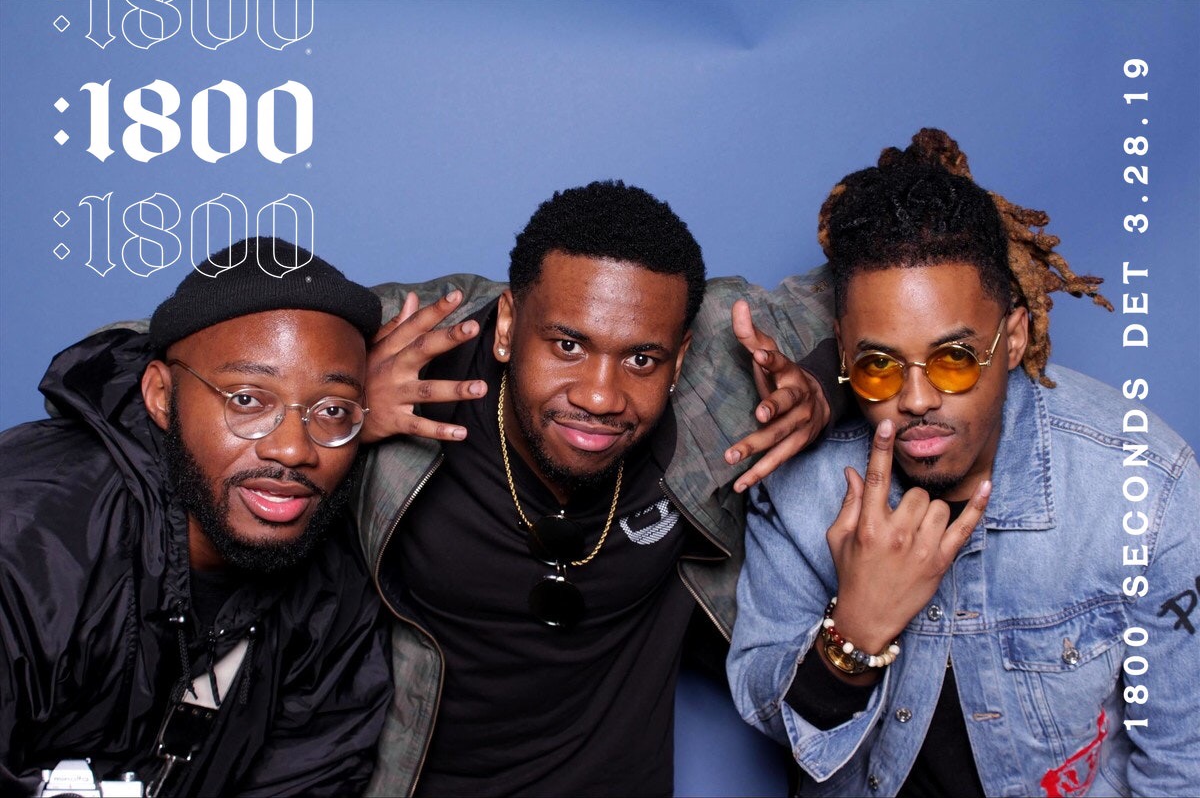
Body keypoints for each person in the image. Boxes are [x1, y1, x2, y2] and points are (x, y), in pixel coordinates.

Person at [728, 129, 1200, 797]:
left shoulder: (1142, 489)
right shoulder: (801, 485)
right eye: (879, 364)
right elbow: (765, 706)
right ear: (842, 353)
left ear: (1014, 338)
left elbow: (1183, 763)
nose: (916, 399)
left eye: (954, 358)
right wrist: (853, 635)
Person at [357, 180, 840, 796]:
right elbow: (247, 348)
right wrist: (331, 407)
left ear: (680, 357)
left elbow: (879, 305)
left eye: (641, 360)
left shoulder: (729, 349)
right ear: (507, 325)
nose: (600, 397)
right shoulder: (405, 353)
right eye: (568, 346)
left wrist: (823, 388)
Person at [0, 238, 393, 797]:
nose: (292, 449)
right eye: (247, 400)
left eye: (331, 410)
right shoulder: (27, 536)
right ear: (162, 395)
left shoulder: (335, 591)